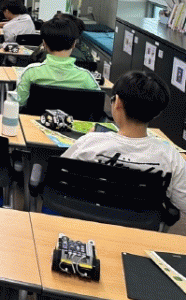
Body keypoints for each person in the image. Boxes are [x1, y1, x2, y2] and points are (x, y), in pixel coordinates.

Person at [62, 71, 186, 215]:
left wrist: (89, 139)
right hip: (142, 227)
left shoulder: (90, 142)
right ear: (157, 112)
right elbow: (182, 204)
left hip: (86, 221)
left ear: (118, 102)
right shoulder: (172, 158)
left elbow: (59, 176)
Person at [16, 17, 100, 107]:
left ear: (44, 44)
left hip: (35, 116)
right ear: (74, 44)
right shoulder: (86, 77)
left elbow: (19, 103)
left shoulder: (31, 72)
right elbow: (97, 106)